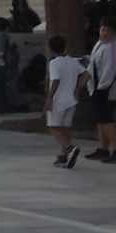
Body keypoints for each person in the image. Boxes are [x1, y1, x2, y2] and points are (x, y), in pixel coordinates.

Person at [86, 17, 116, 163]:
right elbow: (93, 64)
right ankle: (103, 148)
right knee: (100, 119)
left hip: (107, 90)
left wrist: (102, 89)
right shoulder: (101, 44)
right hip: (96, 87)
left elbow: (110, 70)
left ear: (113, 32)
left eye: (107, 30)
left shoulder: (114, 48)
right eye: (102, 29)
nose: (103, 32)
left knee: (106, 119)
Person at [44, 34, 86, 169]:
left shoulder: (54, 63)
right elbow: (86, 74)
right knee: (65, 128)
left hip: (58, 100)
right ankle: (64, 156)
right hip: (71, 100)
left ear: (51, 49)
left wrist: (49, 98)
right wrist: (77, 89)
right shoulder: (73, 61)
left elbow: (55, 81)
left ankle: (69, 148)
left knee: (54, 127)